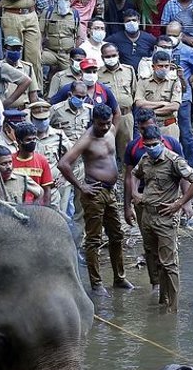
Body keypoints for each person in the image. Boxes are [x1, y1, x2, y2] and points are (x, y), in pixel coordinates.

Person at [58, 103, 134, 296]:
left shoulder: (111, 130)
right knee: (94, 239)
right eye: (101, 124)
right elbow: (64, 164)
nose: (105, 127)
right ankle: (96, 283)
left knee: (117, 235)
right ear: (93, 122)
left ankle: (119, 278)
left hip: (110, 191)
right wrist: (81, 186)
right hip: (94, 192)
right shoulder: (87, 139)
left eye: (108, 123)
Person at [131, 125, 193, 309]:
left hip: (166, 217)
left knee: (169, 263)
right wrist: (134, 193)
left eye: (154, 144)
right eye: (147, 145)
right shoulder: (145, 159)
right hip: (147, 215)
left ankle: (173, 307)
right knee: (152, 258)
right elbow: (134, 174)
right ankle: (162, 299)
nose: (151, 148)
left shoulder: (174, 161)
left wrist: (179, 203)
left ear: (161, 142)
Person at [163, 21, 193, 171]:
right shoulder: (161, 48)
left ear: (181, 35)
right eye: (168, 35)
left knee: (185, 133)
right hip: (164, 98)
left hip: (183, 97)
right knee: (168, 132)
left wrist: (191, 78)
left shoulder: (187, 50)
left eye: (174, 35)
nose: (171, 38)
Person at [30, 100, 74, 215]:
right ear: (32, 119)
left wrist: (65, 176)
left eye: (45, 119)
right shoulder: (27, 137)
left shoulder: (58, 136)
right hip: (35, 187)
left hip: (57, 187)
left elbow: (73, 156)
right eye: (39, 120)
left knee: (60, 217)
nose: (42, 122)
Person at [98, 41, 137, 159]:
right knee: (105, 150)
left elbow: (134, 93)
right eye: (107, 56)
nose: (111, 58)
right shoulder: (98, 74)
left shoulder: (128, 70)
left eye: (113, 55)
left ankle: (126, 177)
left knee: (127, 151)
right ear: (102, 57)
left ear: (118, 54)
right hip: (106, 118)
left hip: (126, 116)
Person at [135, 50, 183, 139]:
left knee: (170, 152)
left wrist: (150, 112)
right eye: (160, 66)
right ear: (153, 66)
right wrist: (163, 103)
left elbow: (175, 106)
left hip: (168, 126)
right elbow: (139, 103)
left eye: (166, 66)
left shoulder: (174, 81)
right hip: (148, 126)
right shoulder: (143, 81)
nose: (164, 69)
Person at [0, 0, 43, 91]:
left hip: (31, 15)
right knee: (13, 56)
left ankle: (35, 92)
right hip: (12, 15)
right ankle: (14, 92)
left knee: (35, 56)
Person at [11, 121, 55, 205]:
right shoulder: (10, 161)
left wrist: (46, 209)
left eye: (34, 139)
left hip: (36, 207)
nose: (32, 142)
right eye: (28, 140)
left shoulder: (42, 161)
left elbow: (47, 190)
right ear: (19, 141)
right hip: (16, 205)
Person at [40, 0, 80, 82]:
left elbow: (78, 37)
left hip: (67, 54)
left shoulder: (75, 14)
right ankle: (39, 90)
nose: (63, 1)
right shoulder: (48, 12)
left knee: (72, 74)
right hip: (50, 52)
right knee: (36, 60)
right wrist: (39, 49)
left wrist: (75, 53)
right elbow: (41, 33)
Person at [2, 35, 41, 108]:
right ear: (4, 50)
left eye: (18, 49)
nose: (16, 51)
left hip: (23, 111)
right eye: (13, 49)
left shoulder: (27, 68)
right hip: (4, 110)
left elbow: (33, 95)